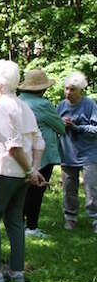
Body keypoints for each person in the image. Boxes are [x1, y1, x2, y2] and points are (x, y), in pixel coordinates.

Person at [0, 60, 45, 282]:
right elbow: (39, 142)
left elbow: (12, 146)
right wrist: (33, 169)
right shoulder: (24, 106)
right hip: (20, 175)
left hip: (3, 171)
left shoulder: (2, 108)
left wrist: (30, 170)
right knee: (14, 220)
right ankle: (16, 273)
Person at [17, 69, 64, 238]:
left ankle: (18, 224)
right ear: (42, 89)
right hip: (42, 154)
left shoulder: (18, 101)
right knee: (36, 191)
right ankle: (32, 227)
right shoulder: (43, 104)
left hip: (21, 153)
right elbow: (61, 127)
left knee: (22, 191)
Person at [58, 71, 97, 232]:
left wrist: (77, 127)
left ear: (81, 90)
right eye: (66, 89)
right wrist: (61, 123)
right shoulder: (61, 105)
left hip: (89, 153)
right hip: (68, 153)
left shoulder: (89, 105)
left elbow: (95, 129)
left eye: (72, 89)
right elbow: (54, 126)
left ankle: (95, 219)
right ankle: (70, 218)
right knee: (68, 189)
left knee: (92, 188)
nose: (68, 92)